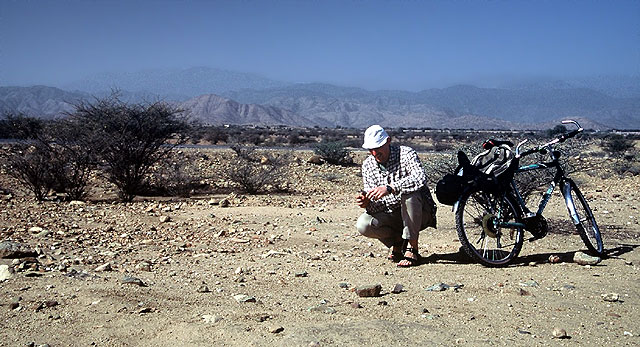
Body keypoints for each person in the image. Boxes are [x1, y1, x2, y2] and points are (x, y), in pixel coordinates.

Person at [355, 125, 436, 267]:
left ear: (388, 141)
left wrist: (391, 188)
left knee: (409, 193)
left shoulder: (406, 154)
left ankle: (412, 248)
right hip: (393, 214)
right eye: (370, 150)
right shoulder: (368, 165)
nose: (374, 153)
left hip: (419, 212)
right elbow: (376, 206)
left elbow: (420, 178)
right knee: (364, 224)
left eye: (378, 147)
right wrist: (367, 203)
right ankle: (397, 241)